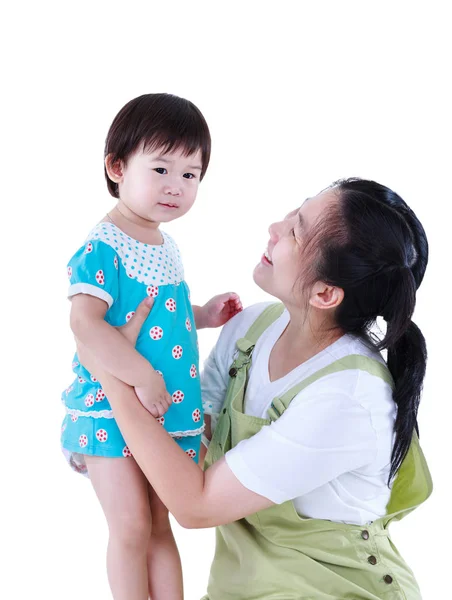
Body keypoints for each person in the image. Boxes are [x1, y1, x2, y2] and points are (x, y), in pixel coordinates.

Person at [77, 178, 432, 599]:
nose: (274, 228)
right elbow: (186, 440)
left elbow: (196, 504)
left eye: (297, 231)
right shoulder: (251, 329)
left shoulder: (348, 396)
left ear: (325, 293)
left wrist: (111, 372)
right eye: (294, 211)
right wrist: (110, 438)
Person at [60, 93, 242, 600]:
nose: (176, 186)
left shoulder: (165, 244)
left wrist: (203, 314)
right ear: (117, 167)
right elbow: (85, 323)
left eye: (190, 175)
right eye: (161, 168)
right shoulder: (103, 246)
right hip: (112, 410)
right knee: (132, 525)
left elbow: (165, 317)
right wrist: (141, 375)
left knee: (162, 524)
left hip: (167, 412)